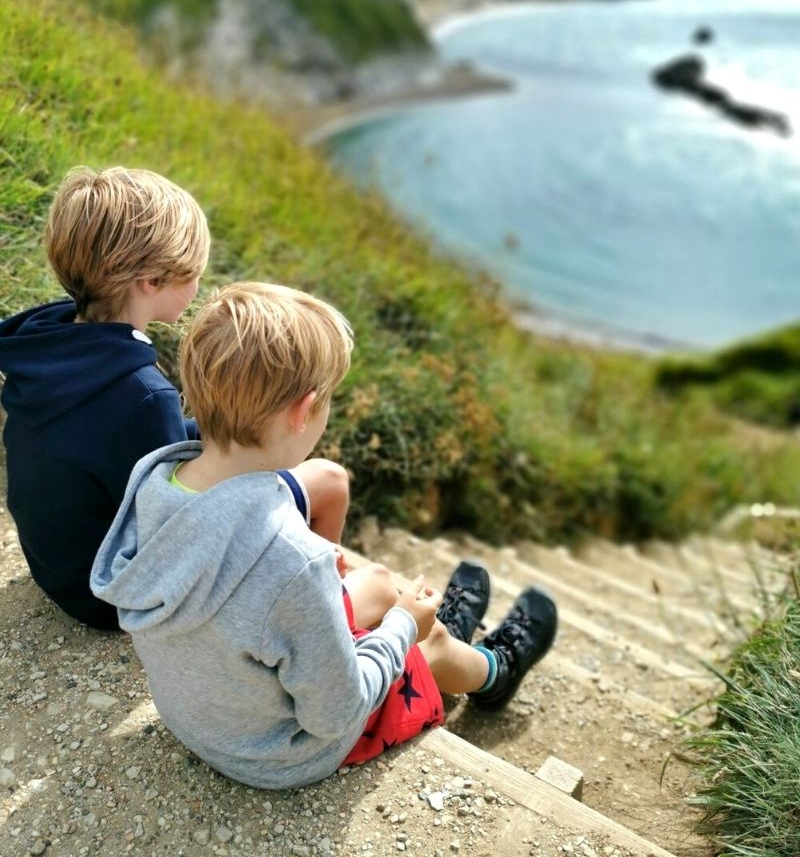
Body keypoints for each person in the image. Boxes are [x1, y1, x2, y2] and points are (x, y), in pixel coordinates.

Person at [90, 282, 557, 789]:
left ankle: (432, 625)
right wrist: (402, 628)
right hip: (279, 751)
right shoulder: (293, 561)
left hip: (201, 714)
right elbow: (337, 712)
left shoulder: (157, 481)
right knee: (431, 642)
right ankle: (492, 670)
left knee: (377, 580)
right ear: (302, 410)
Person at [0, 167, 349, 630]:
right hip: (112, 594)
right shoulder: (142, 395)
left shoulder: (48, 345)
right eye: (193, 271)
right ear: (151, 280)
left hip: (60, 568)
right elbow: (180, 516)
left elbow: (122, 450)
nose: (199, 282)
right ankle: (323, 615)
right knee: (327, 480)